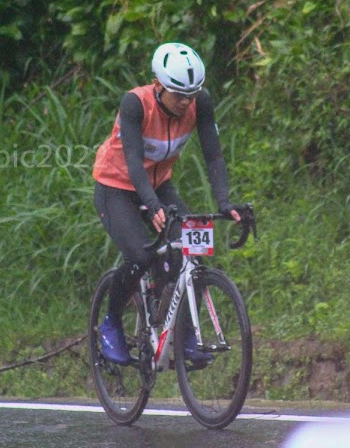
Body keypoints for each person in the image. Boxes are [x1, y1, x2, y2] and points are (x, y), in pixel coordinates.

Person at [92, 41, 241, 364]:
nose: (186, 102)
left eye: (192, 94)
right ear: (158, 84)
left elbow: (213, 154)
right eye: (178, 95)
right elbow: (133, 161)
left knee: (192, 251)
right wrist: (152, 205)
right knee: (140, 256)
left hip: (159, 185)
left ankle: (184, 335)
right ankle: (111, 324)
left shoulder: (199, 103)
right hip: (116, 187)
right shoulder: (135, 104)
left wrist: (225, 201)